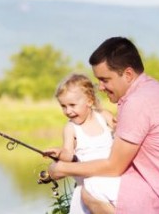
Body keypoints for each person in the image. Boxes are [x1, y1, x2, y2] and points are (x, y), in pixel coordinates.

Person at [48, 37, 159, 214]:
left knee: (93, 189)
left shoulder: (137, 102)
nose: (100, 87)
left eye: (105, 80)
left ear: (127, 74)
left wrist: (63, 168)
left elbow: (114, 167)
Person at [44, 73, 121, 214]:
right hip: (87, 184)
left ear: (89, 101)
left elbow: (120, 133)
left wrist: (118, 127)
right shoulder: (71, 128)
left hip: (112, 179)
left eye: (72, 105)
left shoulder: (104, 116)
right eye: (63, 106)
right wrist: (60, 153)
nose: (68, 111)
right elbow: (68, 154)